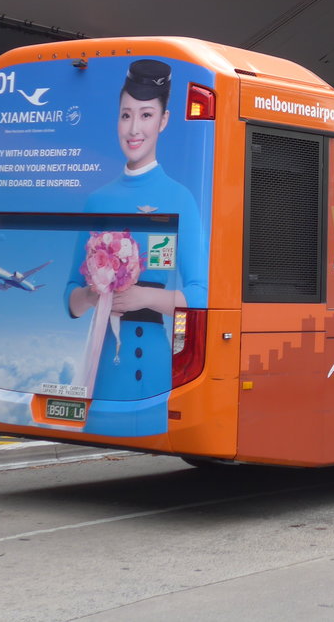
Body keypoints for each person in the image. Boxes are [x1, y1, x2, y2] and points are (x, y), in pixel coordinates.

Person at [64, 59, 206, 413]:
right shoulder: (97, 200)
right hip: (100, 357)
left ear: (163, 120)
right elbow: (70, 298)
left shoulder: (180, 198)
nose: (133, 128)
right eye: (126, 115)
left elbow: (201, 294)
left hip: (151, 357)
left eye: (146, 115)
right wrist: (93, 294)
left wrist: (144, 296)